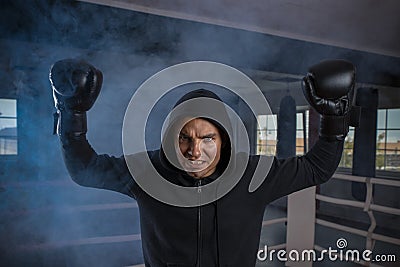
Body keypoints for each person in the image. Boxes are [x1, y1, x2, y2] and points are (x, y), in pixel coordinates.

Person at [50, 59, 356, 266]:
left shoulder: (252, 174)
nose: (195, 151)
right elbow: (84, 169)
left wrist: (335, 119)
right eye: (185, 137)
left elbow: (317, 168)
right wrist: (71, 114)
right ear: (171, 136)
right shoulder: (149, 171)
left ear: (223, 140)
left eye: (207, 138)